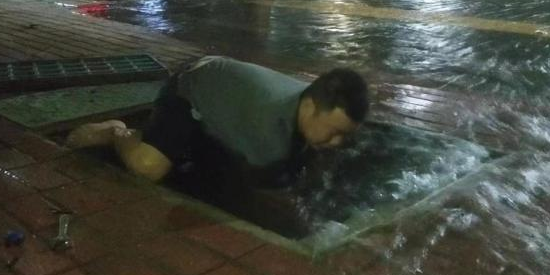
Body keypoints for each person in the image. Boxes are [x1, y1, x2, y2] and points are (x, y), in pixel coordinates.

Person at [67, 56, 369, 187]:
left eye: (345, 135)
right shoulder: (269, 130)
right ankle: (117, 131)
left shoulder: (310, 103)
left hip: (226, 89)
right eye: (334, 132)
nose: (338, 142)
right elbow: (262, 190)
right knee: (149, 167)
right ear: (309, 107)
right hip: (190, 87)